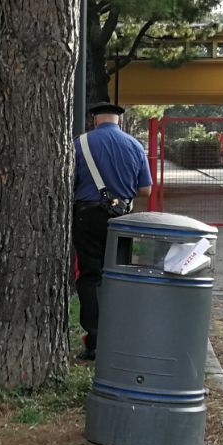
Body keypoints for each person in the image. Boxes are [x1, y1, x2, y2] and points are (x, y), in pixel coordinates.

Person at [72, 101, 153, 361]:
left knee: (89, 275)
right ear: (120, 120)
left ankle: (94, 341)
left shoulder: (80, 144)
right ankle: (121, 337)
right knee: (119, 274)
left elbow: (70, 181)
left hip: (87, 216)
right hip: (123, 217)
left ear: (94, 119)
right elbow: (146, 189)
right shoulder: (135, 145)